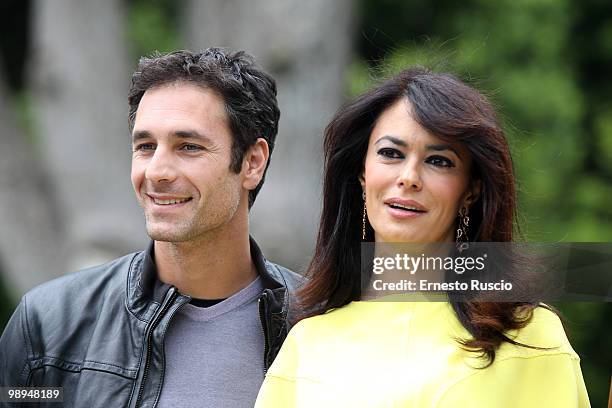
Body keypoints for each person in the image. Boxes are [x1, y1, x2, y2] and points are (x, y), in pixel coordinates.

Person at [255, 68, 590, 407]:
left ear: (471, 190)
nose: (409, 177)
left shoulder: (529, 339)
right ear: (361, 173)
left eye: (439, 161)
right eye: (391, 153)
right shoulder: (306, 345)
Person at [0, 48, 302, 407]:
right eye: (145, 146)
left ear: (252, 163)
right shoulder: (49, 323)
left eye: (188, 147)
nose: (156, 172)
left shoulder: (316, 324)